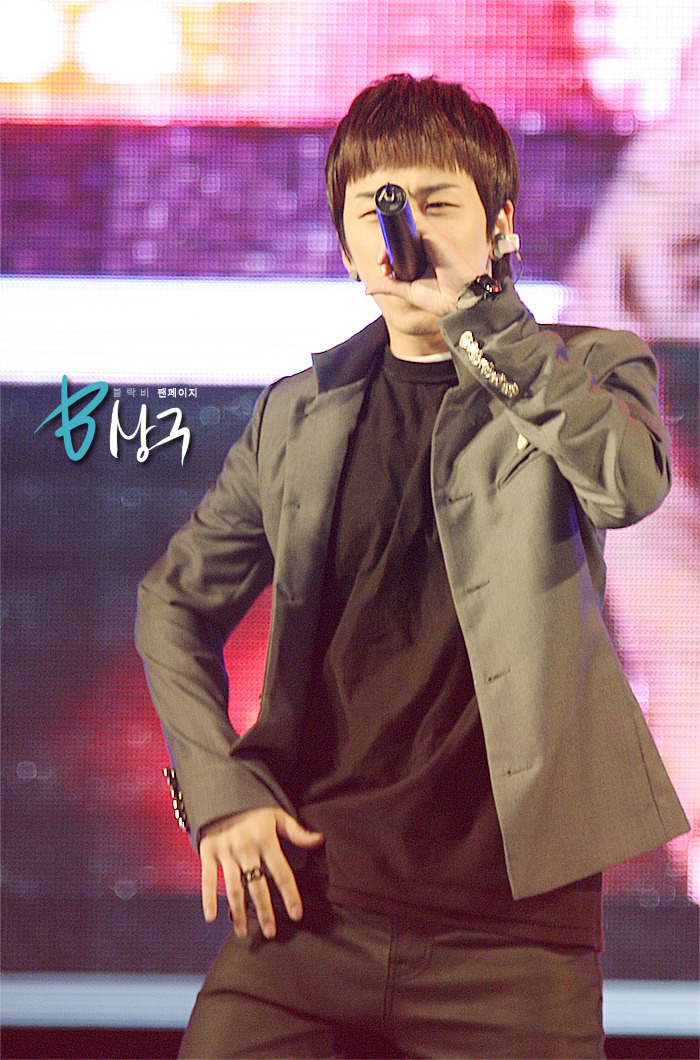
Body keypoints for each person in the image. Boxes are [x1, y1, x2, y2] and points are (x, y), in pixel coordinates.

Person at [135, 74, 689, 1059]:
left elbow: (627, 484)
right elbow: (173, 603)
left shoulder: (590, 364)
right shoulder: (296, 413)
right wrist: (218, 792)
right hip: (310, 910)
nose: (408, 234)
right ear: (349, 249)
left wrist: (483, 320)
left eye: (437, 204)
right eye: (380, 211)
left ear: (500, 226)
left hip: (513, 940)